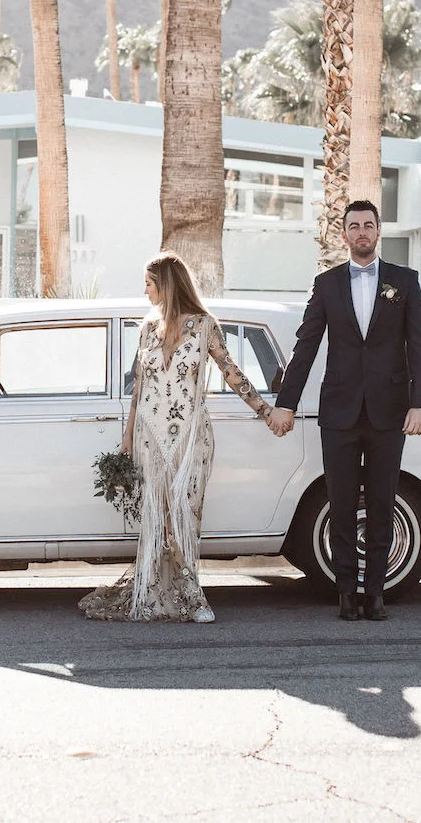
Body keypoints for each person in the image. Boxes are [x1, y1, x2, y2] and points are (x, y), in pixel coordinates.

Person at [80, 252, 278, 623]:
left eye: (149, 284)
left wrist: (265, 410)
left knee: (184, 515)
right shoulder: (147, 328)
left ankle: (190, 593)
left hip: (190, 437)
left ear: (167, 285)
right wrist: (127, 438)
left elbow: (232, 372)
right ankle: (183, 595)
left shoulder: (204, 326)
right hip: (150, 436)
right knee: (159, 518)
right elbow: (139, 388)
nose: (145, 291)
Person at [267, 200, 421, 621]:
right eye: (354, 226)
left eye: (368, 225)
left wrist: (420, 403)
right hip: (339, 413)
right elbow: (306, 345)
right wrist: (285, 403)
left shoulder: (405, 281)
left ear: (378, 231)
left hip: (389, 413)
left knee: (382, 503)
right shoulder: (326, 284)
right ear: (343, 235)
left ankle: (375, 592)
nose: (362, 232)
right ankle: (346, 591)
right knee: (341, 505)